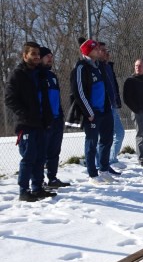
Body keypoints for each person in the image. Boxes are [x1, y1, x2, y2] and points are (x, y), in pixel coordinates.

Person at [5, 42, 56, 201]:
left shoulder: (41, 74)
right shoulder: (18, 74)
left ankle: (37, 187)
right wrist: (25, 115)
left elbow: (45, 99)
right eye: (33, 54)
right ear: (25, 55)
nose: (36, 57)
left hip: (41, 123)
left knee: (41, 157)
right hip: (26, 124)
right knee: (29, 157)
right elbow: (10, 99)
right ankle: (23, 190)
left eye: (38, 54)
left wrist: (47, 118)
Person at [66, 39, 115, 185]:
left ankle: (104, 169)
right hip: (92, 113)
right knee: (91, 142)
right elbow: (79, 92)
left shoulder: (99, 66)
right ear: (88, 51)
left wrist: (109, 107)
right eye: (95, 49)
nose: (99, 51)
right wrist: (89, 112)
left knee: (107, 140)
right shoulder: (81, 67)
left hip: (105, 111)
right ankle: (92, 174)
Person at [39, 47, 70, 189]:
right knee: (41, 152)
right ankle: (38, 181)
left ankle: (52, 178)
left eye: (51, 56)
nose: (50, 58)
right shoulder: (36, 75)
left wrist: (60, 115)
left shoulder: (52, 76)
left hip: (57, 120)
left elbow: (56, 98)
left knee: (54, 151)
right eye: (47, 56)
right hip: (43, 121)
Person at [97, 42, 125, 172]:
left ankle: (110, 159)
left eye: (107, 50)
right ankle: (100, 163)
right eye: (103, 50)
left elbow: (113, 86)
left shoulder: (109, 66)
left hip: (113, 105)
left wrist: (116, 100)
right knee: (103, 136)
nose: (107, 53)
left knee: (119, 132)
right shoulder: (97, 67)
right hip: (104, 106)